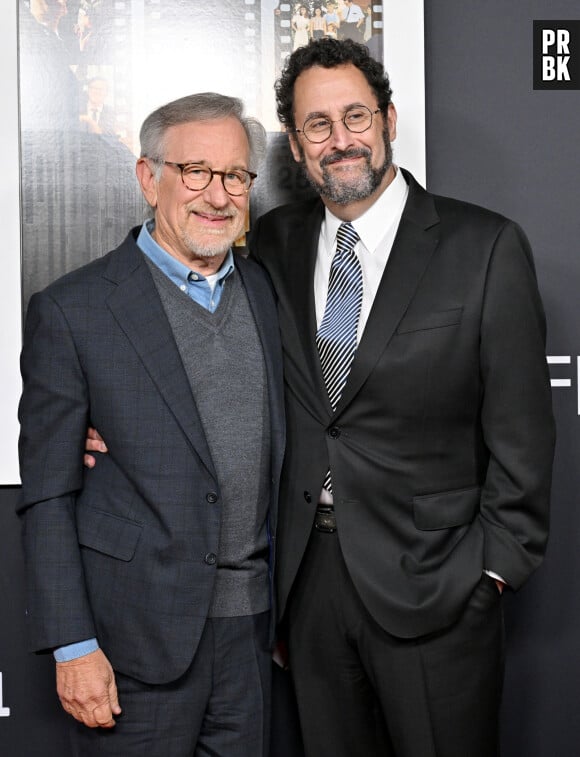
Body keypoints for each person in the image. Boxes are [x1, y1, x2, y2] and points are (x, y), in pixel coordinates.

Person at [248, 38, 555, 756]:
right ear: (295, 144)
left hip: (437, 586)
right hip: (309, 588)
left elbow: (523, 435)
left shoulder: (483, 247)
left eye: (355, 115)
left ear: (388, 119)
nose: (340, 139)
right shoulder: (273, 243)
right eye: (316, 125)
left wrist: (491, 569)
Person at [18, 92, 285, 757]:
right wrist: (73, 645)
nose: (217, 195)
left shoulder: (266, 293)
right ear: (148, 177)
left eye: (234, 176)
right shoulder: (74, 310)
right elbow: (48, 495)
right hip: (131, 647)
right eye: (195, 170)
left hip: (253, 638)